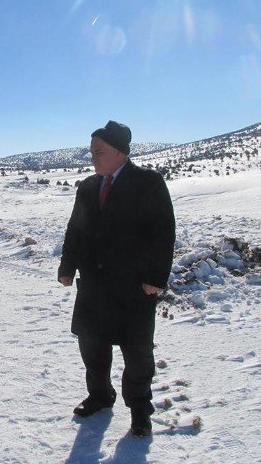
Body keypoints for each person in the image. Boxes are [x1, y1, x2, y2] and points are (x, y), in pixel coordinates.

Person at [58, 120, 176, 437]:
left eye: (99, 151)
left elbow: (163, 233)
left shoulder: (147, 182)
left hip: (133, 286)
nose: (92, 157)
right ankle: (100, 396)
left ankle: (140, 411)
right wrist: (67, 267)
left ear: (120, 152)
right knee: (92, 348)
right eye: (91, 151)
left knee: (137, 354)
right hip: (94, 286)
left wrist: (155, 277)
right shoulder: (87, 187)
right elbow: (76, 229)